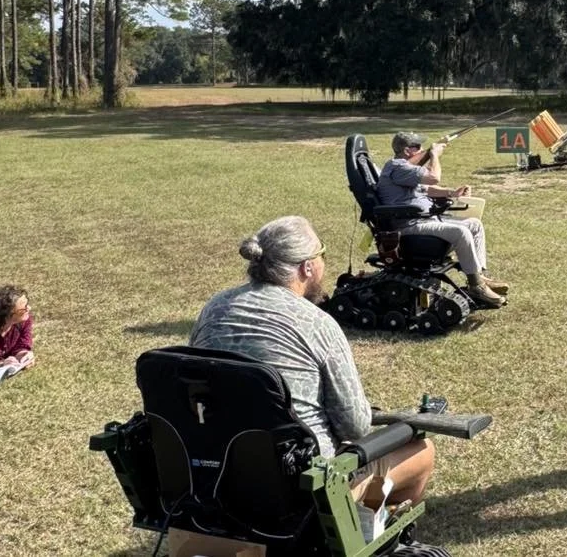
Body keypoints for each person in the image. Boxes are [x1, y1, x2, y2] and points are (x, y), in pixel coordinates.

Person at [188, 216, 435, 507]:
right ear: (307, 267)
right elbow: (355, 427)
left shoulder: (214, 308)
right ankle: (367, 533)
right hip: (303, 485)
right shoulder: (317, 323)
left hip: (220, 472)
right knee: (422, 450)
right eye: (323, 255)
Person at [376, 131, 508, 308]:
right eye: (418, 147)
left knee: (474, 224)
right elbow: (433, 177)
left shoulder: (405, 169)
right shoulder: (398, 167)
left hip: (423, 220)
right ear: (408, 151)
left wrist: (451, 193)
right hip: (409, 225)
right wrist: (435, 155)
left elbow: (426, 189)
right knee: (460, 231)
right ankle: (476, 288)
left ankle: (478, 277)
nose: (422, 149)